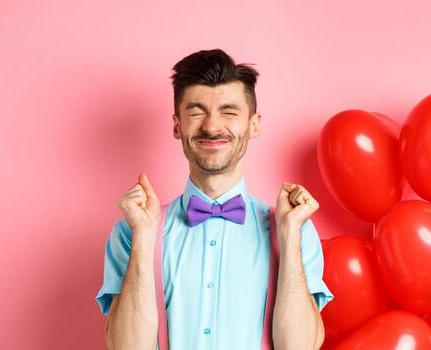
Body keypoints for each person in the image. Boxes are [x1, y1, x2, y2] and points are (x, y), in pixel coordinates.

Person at [95, 48, 334, 350]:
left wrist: (289, 238)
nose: (211, 126)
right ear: (177, 125)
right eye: (196, 112)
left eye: (229, 112)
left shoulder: (294, 230)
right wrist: (144, 236)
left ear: (254, 124)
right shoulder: (132, 231)